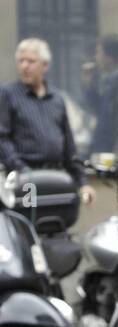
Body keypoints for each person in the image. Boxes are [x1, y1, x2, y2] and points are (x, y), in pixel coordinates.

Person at [0, 38, 95, 203]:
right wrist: (20, 169)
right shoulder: (8, 94)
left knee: (57, 223)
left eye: (31, 61)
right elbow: (2, 138)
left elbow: (69, 147)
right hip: (25, 180)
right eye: (21, 61)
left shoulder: (57, 99)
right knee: (30, 223)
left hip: (57, 177)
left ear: (45, 65)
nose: (24, 66)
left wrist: (83, 183)